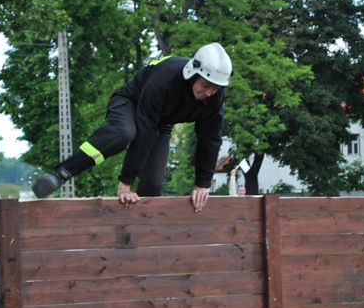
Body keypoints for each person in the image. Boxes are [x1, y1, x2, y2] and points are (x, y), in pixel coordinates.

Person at [32, 42, 233, 213]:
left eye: (215, 89)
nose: (208, 93)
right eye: (206, 85)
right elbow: (145, 132)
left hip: (161, 121)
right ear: (193, 73)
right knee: (124, 133)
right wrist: (125, 184)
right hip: (129, 102)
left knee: (152, 185)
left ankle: (143, 242)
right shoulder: (165, 79)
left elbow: (210, 139)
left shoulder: (214, 99)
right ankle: (61, 174)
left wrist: (202, 184)